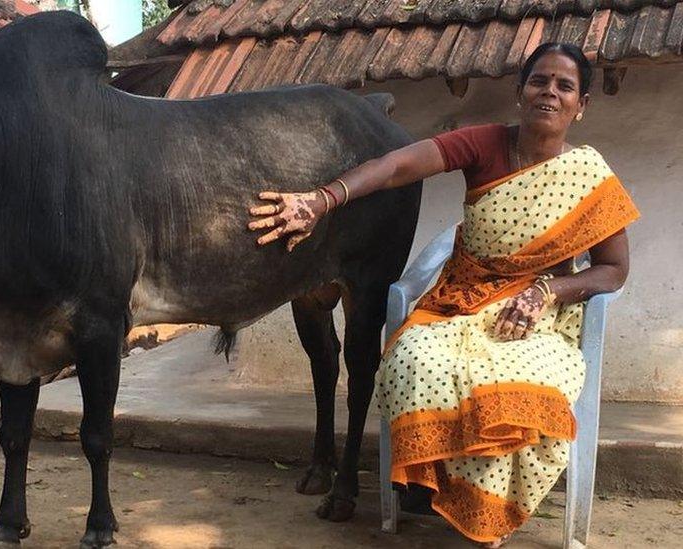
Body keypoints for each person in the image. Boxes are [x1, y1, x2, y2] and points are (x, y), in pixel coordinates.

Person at [247, 43, 640, 547]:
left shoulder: (591, 177)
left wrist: (551, 290)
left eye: (565, 86)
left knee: (514, 387)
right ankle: (434, 487)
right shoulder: (485, 143)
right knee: (414, 359)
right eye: (540, 81)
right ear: (520, 93)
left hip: (537, 315)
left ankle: (484, 516)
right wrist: (322, 200)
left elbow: (613, 271)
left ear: (581, 105)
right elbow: (396, 167)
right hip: (457, 301)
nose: (550, 92)